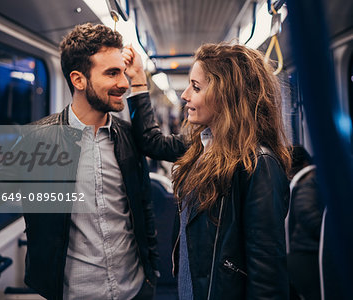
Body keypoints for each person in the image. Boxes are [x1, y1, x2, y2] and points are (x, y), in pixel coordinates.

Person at [0, 23, 159, 300]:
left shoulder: (129, 138)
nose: (123, 83)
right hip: (78, 294)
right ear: (79, 80)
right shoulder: (40, 140)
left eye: (123, 72)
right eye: (112, 73)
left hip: (134, 288)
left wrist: (152, 273)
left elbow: (143, 208)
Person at [123, 43, 291, 299]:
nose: (185, 95)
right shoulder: (202, 145)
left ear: (227, 96)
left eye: (196, 87)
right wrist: (137, 80)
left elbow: (267, 275)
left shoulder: (259, 164)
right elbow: (151, 141)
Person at [287, 145, 323, 300]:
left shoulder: (303, 182)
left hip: (300, 255)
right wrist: (325, 233)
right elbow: (306, 209)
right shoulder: (312, 180)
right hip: (308, 256)